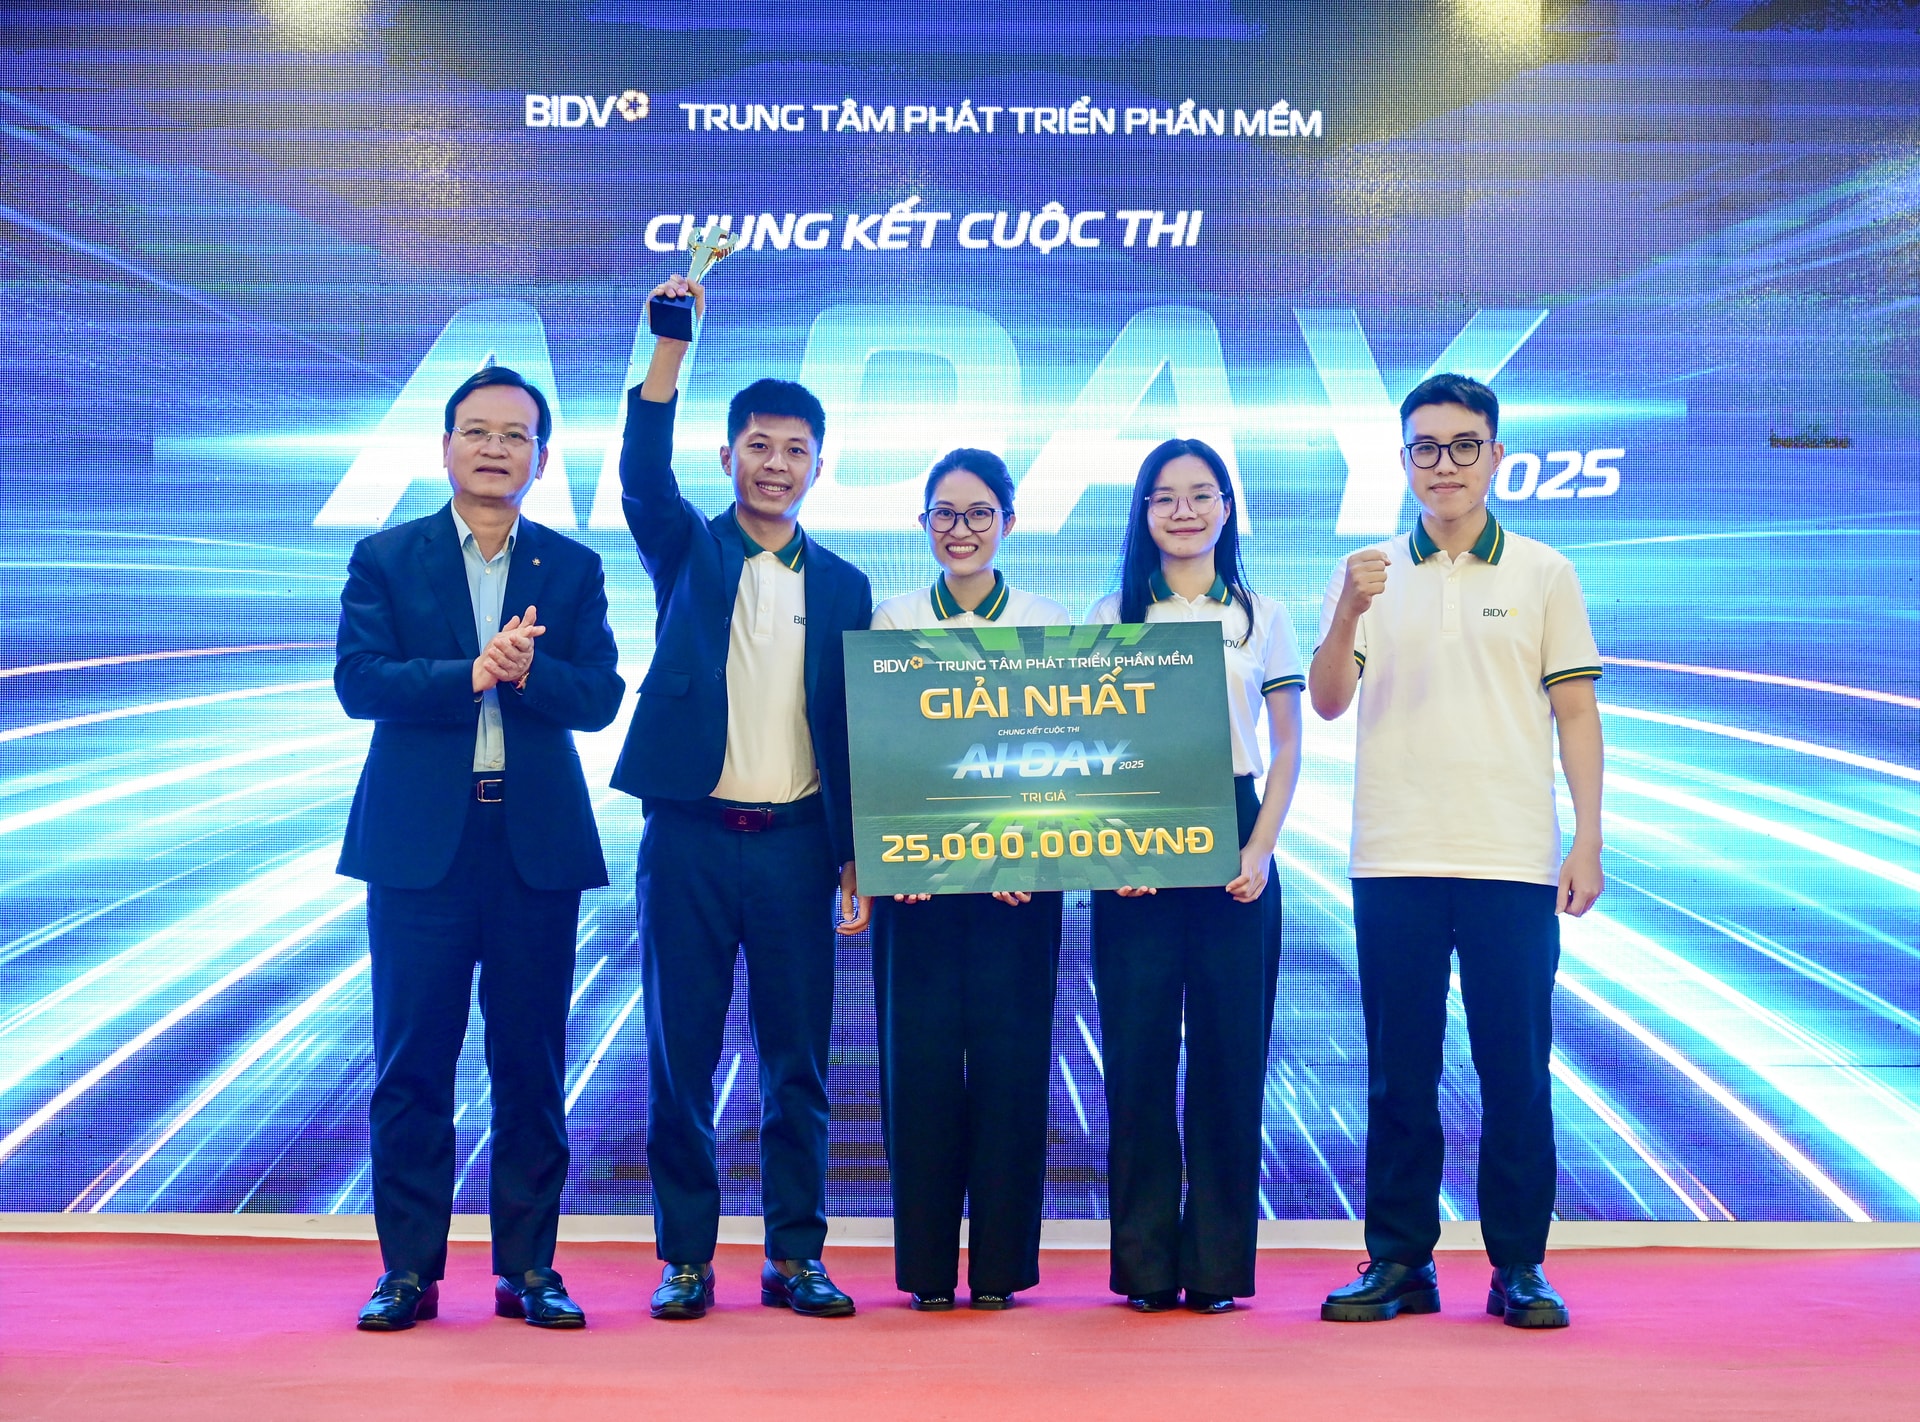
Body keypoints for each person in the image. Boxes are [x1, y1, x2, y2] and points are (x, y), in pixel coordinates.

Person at [1309, 373, 1604, 1330]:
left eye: (1464, 445)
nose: (1445, 464)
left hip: (1510, 858)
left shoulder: (1544, 573)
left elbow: (1575, 711)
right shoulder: (1366, 573)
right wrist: (1346, 614)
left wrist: (1588, 838)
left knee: (1515, 1069)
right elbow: (1327, 701)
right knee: (1400, 1071)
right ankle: (1400, 1260)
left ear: (1496, 456)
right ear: (1403, 461)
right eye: (1426, 448)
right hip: (1393, 853)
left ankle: (1519, 1265)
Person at [335, 365, 624, 1331]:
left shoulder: (570, 568)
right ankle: (407, 1272)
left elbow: (601, 697)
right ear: (446, 447)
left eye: (516, 435)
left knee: (530, 1065)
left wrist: (528, 672)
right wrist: (470, 672)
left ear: (540, 459)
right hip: (419, 848)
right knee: (412, 1064)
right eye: (477, 430)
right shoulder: (387, 556)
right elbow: (359, 682)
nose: (496, 448)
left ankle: (528, 1269)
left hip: (531, 845)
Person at [613, 273, 873, 1320]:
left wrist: (856, 856)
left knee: (796, 1063)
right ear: (727, 458)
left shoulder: (846, 585)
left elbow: (852, 732)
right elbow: (640, 473)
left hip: (798, 849)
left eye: (795, 450)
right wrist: (669, 346)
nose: (776, 464)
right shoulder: (688, 547)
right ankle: (685, 1258)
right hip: (688, 839)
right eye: (758, 446)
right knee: (680, 1057)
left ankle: (794, 1257)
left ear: (817, 466)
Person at [1086, 437, 1303, 1314]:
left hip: (1236, 834)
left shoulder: (1261, 615)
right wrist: (1117, 848)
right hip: (1132, 842)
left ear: (1226, 507)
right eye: (1164, 496)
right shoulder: (1111, 613)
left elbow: (1288, 747)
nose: (1183, 510)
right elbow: (1089, 745)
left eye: (1201, 493)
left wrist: (1260, 849)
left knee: (1228, 1062)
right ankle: (1144, 1267)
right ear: (1143, 512)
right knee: (1137, 1063)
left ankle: (1215, 1267)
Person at [868, 449, 1070, 1312]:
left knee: (1011, 1074)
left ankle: (999, 1271)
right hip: (916, 890)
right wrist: (898, 853)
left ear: (1009, 523)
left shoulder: (1047, 622)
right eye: (944, 515)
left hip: (1019, 889)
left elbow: (1062, 758)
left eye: (979, 513)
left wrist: (1035, 852)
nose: (961, 530)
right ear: (922, 524)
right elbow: (883, 749)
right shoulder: (893, 620)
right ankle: (924, 1272)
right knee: (917, 1078)